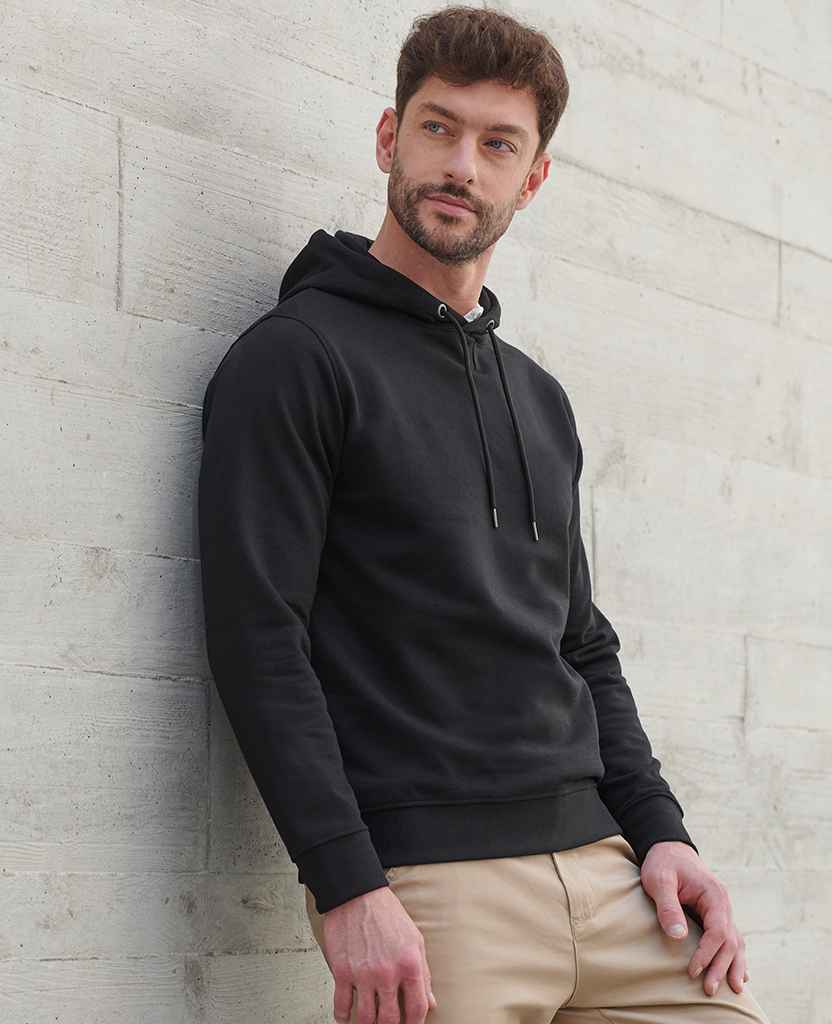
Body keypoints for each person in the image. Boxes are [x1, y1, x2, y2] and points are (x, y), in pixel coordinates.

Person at [197, 6, 772, 1024]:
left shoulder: (538, 397)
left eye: (497, 144)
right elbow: (258, 637)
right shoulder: (297, 358)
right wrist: (346, 883)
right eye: (438, 128)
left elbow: (581, 643)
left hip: (612, 874)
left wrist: (663, 832)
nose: (461, 165)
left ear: (532, 178)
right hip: (435, 890)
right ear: (390, 137)